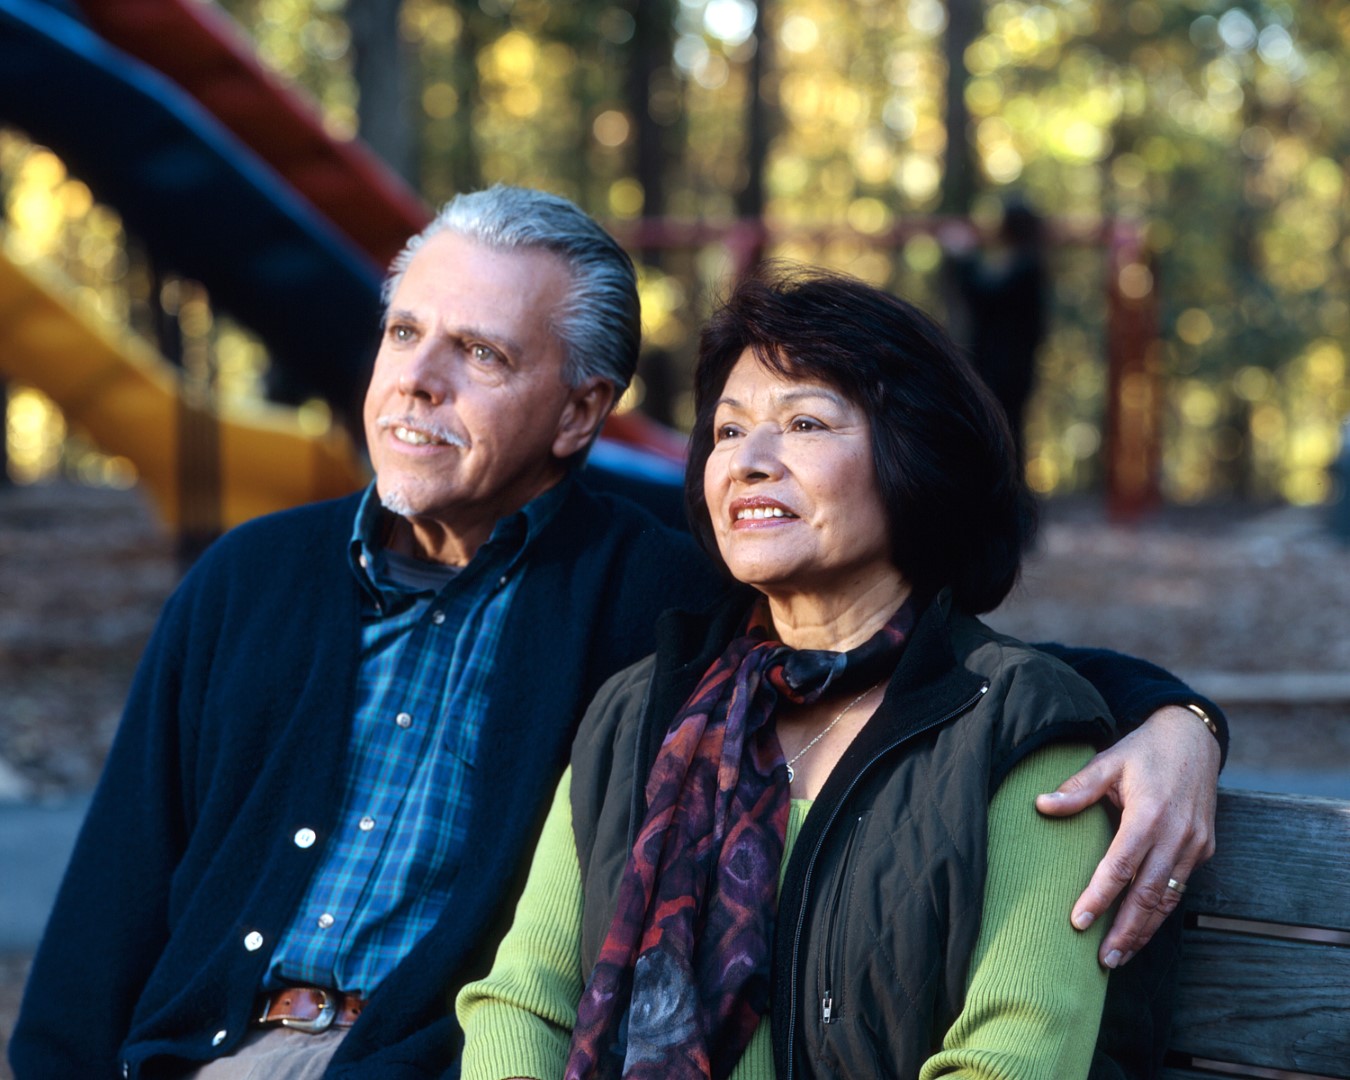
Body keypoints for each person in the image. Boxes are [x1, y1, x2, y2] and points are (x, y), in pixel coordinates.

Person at [12, 189, 1221, 1080]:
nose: (415, 382)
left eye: (478, 353)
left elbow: (921, 649)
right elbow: (106, 910)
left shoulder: (658, 609)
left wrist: (1178, 719)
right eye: (402, 334)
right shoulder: (247, 582)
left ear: (582, 411)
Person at [456, 267, 1214, 1079]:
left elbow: (1010, 1060)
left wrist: (1188, 722)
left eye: (805, 423)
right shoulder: (640, 711)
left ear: (914, 460)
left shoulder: (1026, 732)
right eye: (727, 431)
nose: (750, 461)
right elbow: (524, 1001)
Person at [942, 198, 1049, 465]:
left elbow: (984, 298)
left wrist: (964, 256)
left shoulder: (1026, 268)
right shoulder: (1026, 264)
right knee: (1004, 426)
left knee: (1000, 426)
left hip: (1004, 368)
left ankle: (1007, 494)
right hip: (1010, 366)